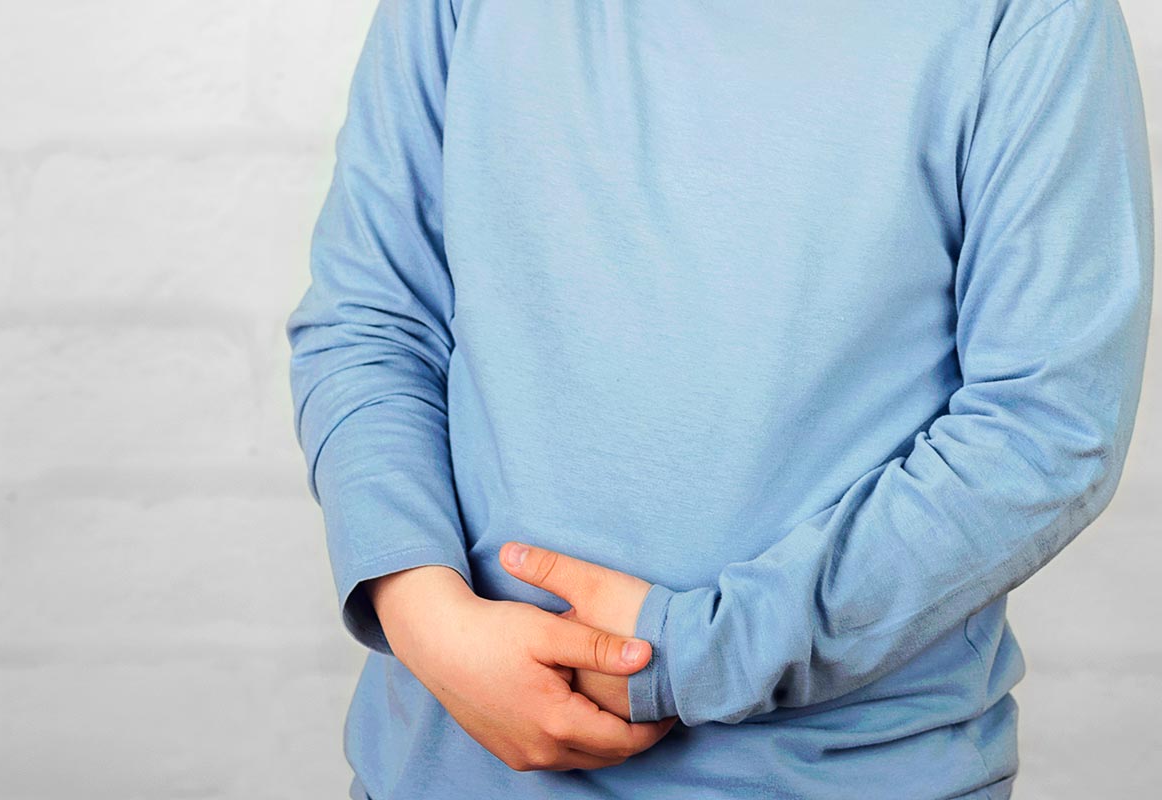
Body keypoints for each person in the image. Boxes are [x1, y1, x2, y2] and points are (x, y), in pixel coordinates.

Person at [284, 0, 1153, 797]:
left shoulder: (1028, 15)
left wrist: (697, 653)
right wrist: (422, 614)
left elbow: (1045, 425)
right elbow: (372, 322)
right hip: (447, 770)